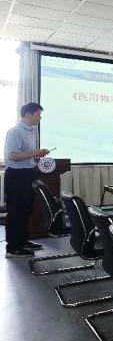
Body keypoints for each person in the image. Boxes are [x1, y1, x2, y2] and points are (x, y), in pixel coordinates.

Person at [3, 103, 49, 257]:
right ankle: (13, 248)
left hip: (28, 173)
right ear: (28, 114)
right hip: (16, 176)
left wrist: (37, 155)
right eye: (38, 114)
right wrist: (35, 152)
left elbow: (27, 154)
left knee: (26, 210)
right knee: (16, 211)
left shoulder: (32, 131)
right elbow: (12, 156)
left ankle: (23, 241)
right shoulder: (15, 131)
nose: (40, 118)